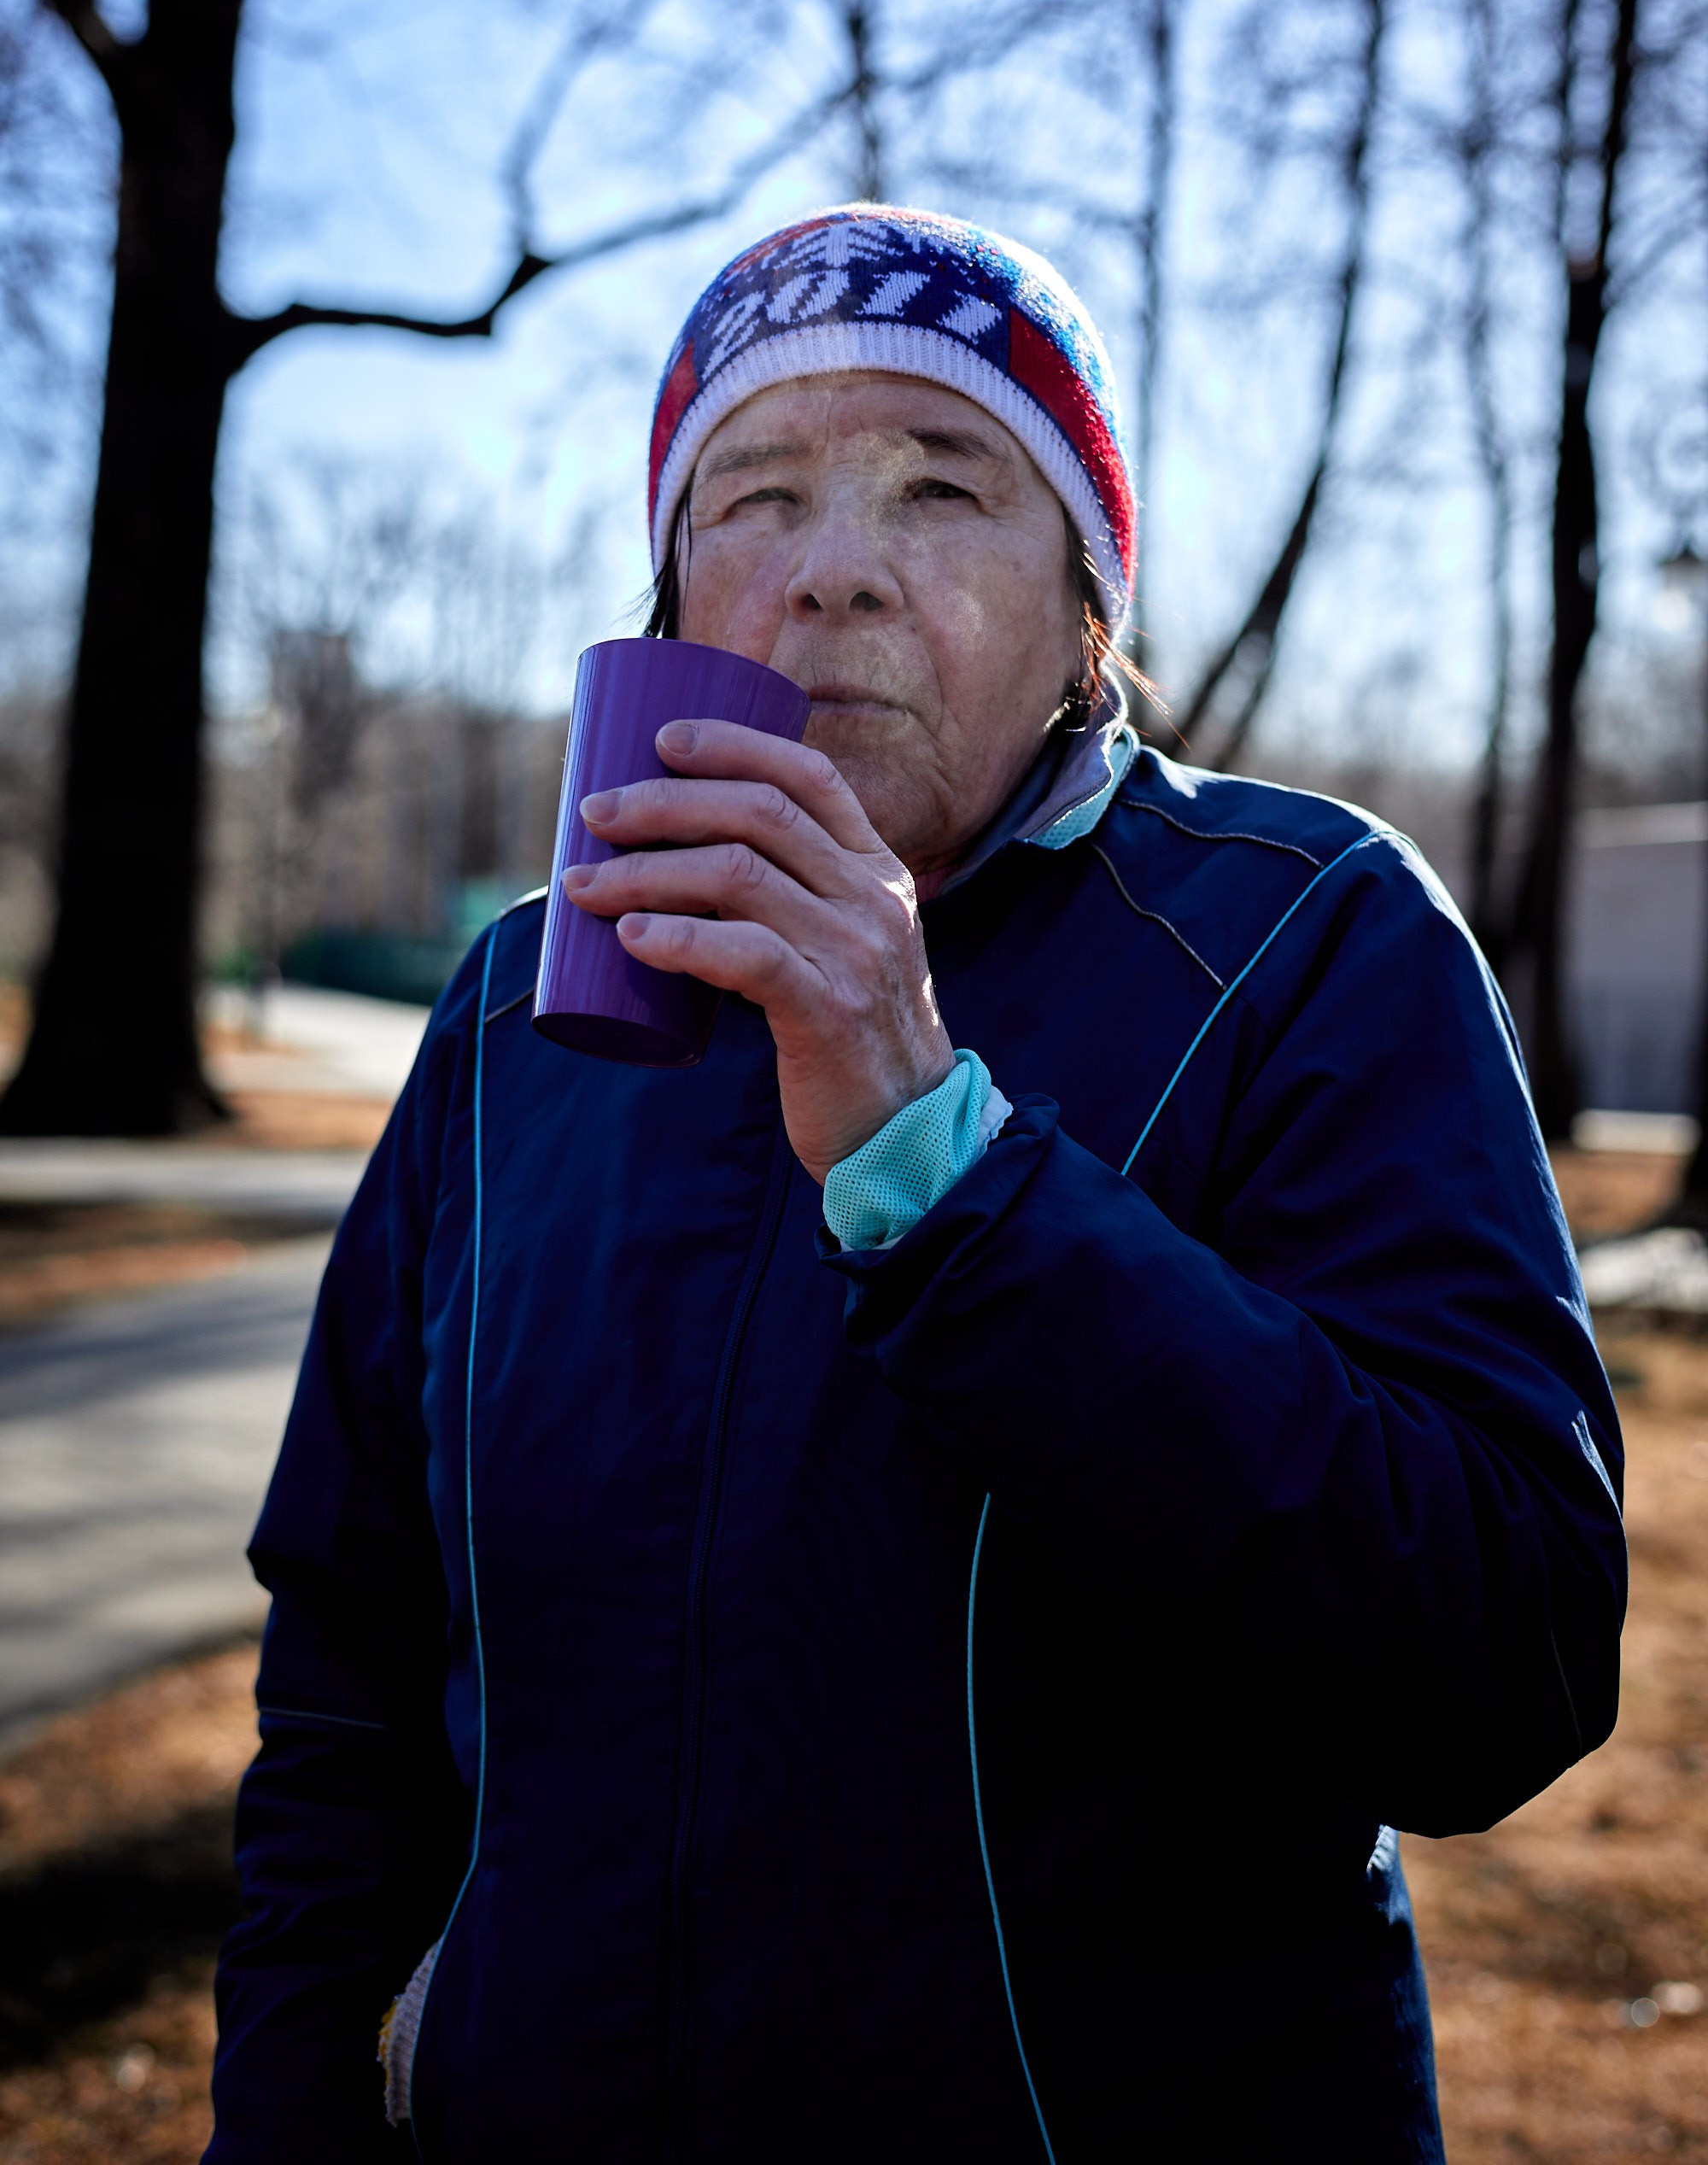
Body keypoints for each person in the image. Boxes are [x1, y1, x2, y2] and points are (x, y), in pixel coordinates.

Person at [206, 206, 1625, 2164]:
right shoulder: (510, 1012)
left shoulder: (1310, 940)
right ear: (677, 599)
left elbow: (1503, 1661)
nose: (833, 575)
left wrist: (936, 1161)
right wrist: (285, 2118)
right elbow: (349, 1661)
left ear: (1083, 615)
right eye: (755, 498)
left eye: (942, 487)